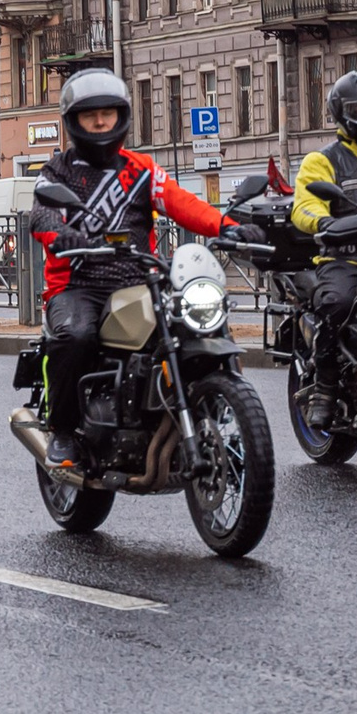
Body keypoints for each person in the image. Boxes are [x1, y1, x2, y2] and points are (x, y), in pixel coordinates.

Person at [29, 68, 257, 472]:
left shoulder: (141, 170)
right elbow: (43, 215)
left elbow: (182, 203)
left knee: (195, 322)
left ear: (121, 117)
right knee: (75, 336)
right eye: (90, 116)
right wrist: (59, 234)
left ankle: (213, 410)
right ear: (74, 122)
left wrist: (228, 226)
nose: (101, 122)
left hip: (139, 281)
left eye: (108, 114)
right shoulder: (57, 172)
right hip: (78, 285)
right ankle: (64, 429)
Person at [288, 70, 357, 429]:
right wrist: (323, 223)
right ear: (343, 112)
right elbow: (303, 205)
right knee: (337, 303)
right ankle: (324, 387)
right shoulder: (322, 161)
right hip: (346, 258)